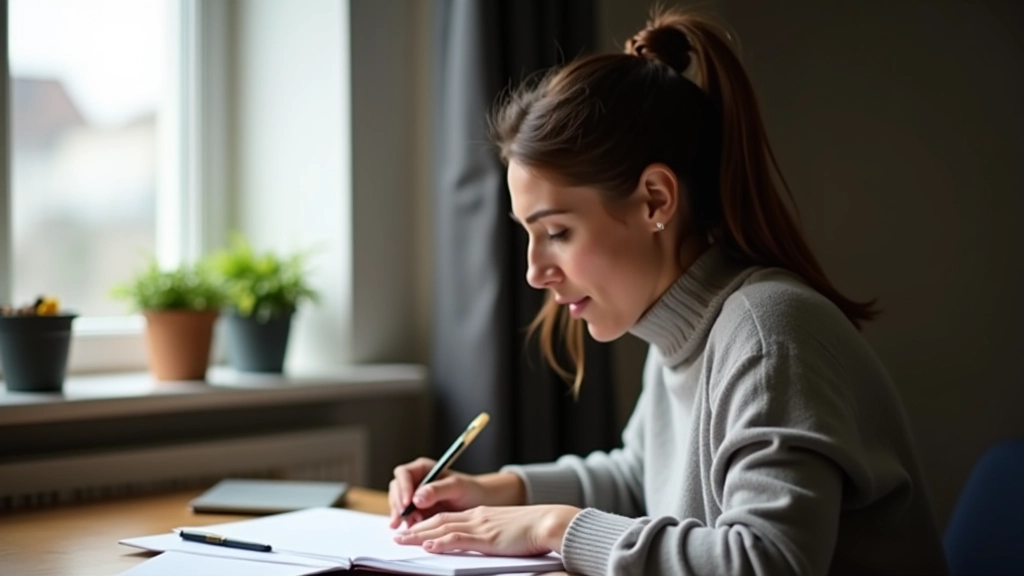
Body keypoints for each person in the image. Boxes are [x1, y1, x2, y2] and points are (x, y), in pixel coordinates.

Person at [389, 7, 949, 576]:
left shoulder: (768, 333)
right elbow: (641, 476)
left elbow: (767, 561)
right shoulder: (685, 330)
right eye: (530, 235)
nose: (535, 272)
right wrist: (498, 490)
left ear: (656, 199)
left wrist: (550, 526)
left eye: (557, 232)